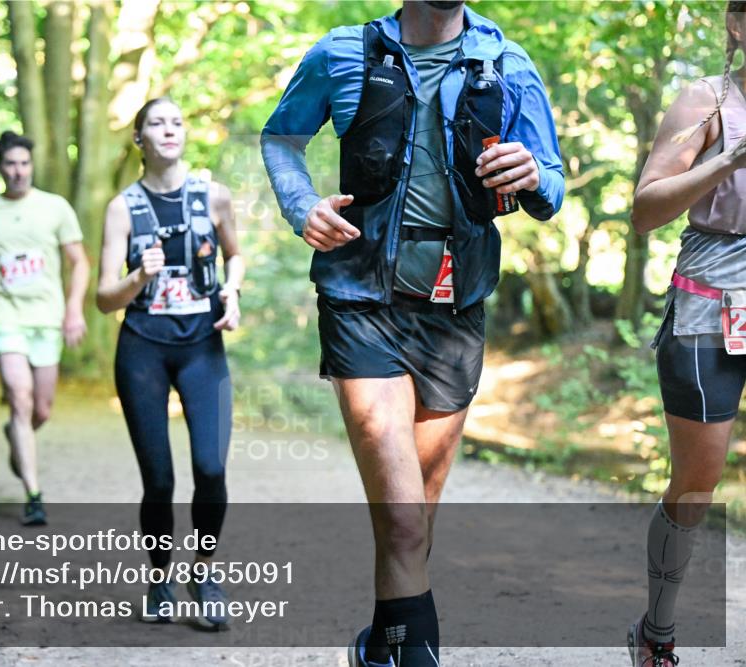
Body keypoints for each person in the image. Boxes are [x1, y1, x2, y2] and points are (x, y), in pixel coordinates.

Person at [262, 2, 564, 665]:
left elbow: (553, 185)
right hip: (360, 298)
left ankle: (378, 647)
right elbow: (280, 138)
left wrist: (536, 176)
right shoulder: (342, 53)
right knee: (401, 520)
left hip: (455, 310)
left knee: (415, 520)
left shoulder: (507, 64)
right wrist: (301, 204)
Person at [627, 3, 746, 665]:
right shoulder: (707, 101)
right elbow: (646, 209)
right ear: (737, 25)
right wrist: (729, 160)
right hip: (708, 307)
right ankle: (657, 633)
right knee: (698, 479)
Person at [97, 97, 244, 628]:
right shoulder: (122, 208)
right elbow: (104, 298)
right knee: (159, 480)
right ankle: (159, 577)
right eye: (156, 123)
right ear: (139, 139)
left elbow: (236, 254)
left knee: (211, 468)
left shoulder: (214, 196)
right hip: (143, 347)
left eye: (177, 122)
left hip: (203, 347)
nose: (169, 130)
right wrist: (138, 276)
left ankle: (203, 572)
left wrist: (233, 290)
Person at [0, 130, 89, 526]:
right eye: (11, 164)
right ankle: (34, 494)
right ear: (0, 167)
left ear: (32, 166)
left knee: (41, 410)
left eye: (24, 164)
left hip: (47, 316)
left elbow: (79, 261)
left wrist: (74, 310)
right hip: (4, 315)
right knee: (19, 394)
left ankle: (17, 436)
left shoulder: (55, 208)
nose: (18, 171)